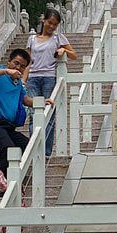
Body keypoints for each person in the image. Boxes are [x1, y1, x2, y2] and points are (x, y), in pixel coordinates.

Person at [26, 8, 78, 156]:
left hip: (49, 77)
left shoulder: (58, 38)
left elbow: (74, 55)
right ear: (44, 21)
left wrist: (63, 51)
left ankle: (46, 152)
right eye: (50, 23)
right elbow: (28, 62)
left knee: (49, 114)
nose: (52, 26)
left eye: (55, 24)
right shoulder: (32, 39)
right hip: (33, 78)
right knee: (33, 113)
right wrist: (23, 80)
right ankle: (35, 150)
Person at [0, 49, 36, 176]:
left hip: (8, 127)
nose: (18, 68)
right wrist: (6, 71)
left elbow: (25, 100)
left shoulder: (18, 84)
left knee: (26, 145)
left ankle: (13, 177)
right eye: (16, 63)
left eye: (22, 66)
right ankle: (1, 183)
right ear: (9, 61)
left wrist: (42, 102)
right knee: (8, 149)